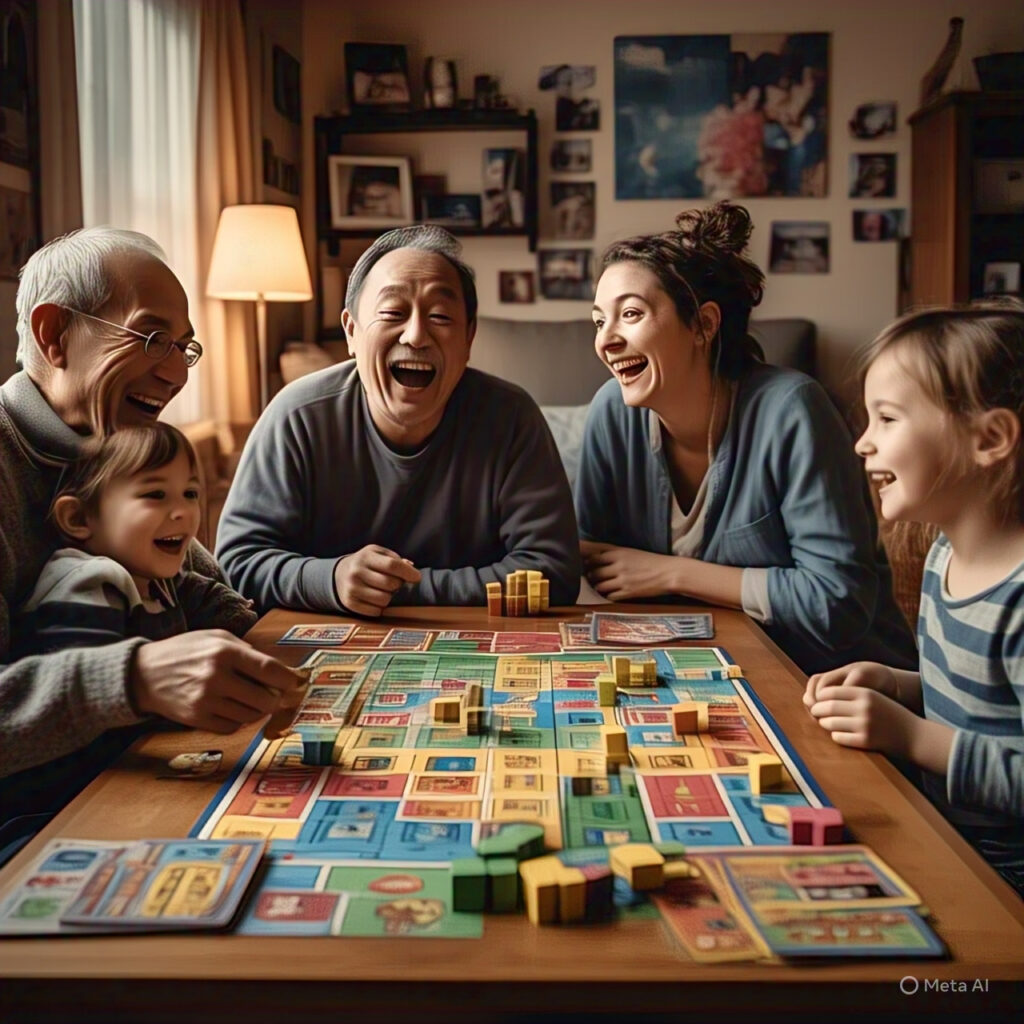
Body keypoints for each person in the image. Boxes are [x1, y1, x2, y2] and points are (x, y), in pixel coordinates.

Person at [0, 227, 302, 853]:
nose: (175, 373)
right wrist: (132, 679)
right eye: (151, 338)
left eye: (184, 348)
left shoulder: (119, 449)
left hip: (138, 778)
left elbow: (206, 594)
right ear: (55, 334)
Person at [576, 201, 917, 675]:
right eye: (598, 321)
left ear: (704, 324)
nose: (605, 340)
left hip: (837, 687)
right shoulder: (610, 412)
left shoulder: (792, 409)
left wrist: (674, 573)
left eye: (630, 314)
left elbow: (838, 604)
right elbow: (591, 564)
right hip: (697, 673)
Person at [216, 224, 580, 616]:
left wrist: (400, 591)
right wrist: (330, 579)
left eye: (440, 316)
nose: (416, 335)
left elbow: (552, 572)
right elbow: (237, 564)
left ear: (469, 337)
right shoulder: (297, 416)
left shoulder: (511, 419)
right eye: (392, 312)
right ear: (351, 331)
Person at [804, 305, 1024, 897]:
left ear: (990, 439)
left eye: (888, 419)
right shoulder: (942, 557)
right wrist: (902, 685)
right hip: (945, 838)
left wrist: (910, 736)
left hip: (1005, 884)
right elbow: (986, 708)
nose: (861, 443)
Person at [18, 423, 256, 655]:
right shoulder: (92, 582)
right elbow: (90, 684)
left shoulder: (156, 578)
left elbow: (209, 599)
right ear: (78, 519)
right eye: (156, 494)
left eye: (189, 494)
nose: (182, 511)